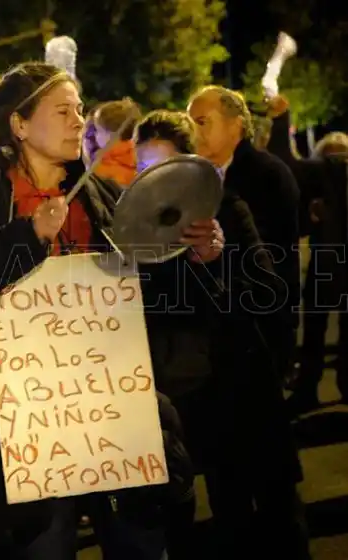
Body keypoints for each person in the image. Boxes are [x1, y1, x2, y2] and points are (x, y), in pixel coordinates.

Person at [0, 61, 209, 559]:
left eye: (81, 109)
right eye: (63, 110)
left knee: (141, 547)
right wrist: (27, 237)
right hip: (30, 436)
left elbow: (152, 293)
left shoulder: (100, 195)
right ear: (19, 125)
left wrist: (194, 254)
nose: (78, 120)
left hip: (115, 417)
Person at [133, 109, 309, 559]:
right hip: (190, 401)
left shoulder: (227, 210)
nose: (151, 181)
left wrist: (217, 260)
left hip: (245, 392)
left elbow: (269, 295)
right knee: (227, 521)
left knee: (279, 519)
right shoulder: (137, 236)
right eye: (142, 169)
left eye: (162, 169)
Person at [187, 86, 301, 386]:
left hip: (260, 322)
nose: (193, 132)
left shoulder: (267, 173)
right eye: (190, 124)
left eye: (202, 121)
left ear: (235, 123)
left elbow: (272, 254)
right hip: (216, 326)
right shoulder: (195, 175)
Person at [266, 96, 348, 413]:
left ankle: (308, 387)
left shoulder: (321, 174)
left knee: (315, 328)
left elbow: (284, 160)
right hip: (330, 261)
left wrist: (281, 119)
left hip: (326, 263)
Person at [90, 98, 141, 186]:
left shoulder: (102, 168)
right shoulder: (140, 163)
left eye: (99, 130)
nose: (95, 135)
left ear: (112, 135)